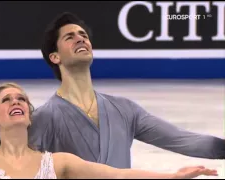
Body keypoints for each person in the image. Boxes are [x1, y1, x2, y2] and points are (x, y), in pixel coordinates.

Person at [28, 12, 225, 169]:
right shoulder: (44, 118)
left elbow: (183, 140)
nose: (80, 39)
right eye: (70, 37)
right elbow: (14, 165)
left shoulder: (125, 110)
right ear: (55, 57)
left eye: (83, 36)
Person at [0, 82, 219, 179]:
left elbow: (118, 176)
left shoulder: (57, 162)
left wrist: (174, 177)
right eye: (7, 100)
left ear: (30, 114)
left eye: (22, 99)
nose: (17, 102)